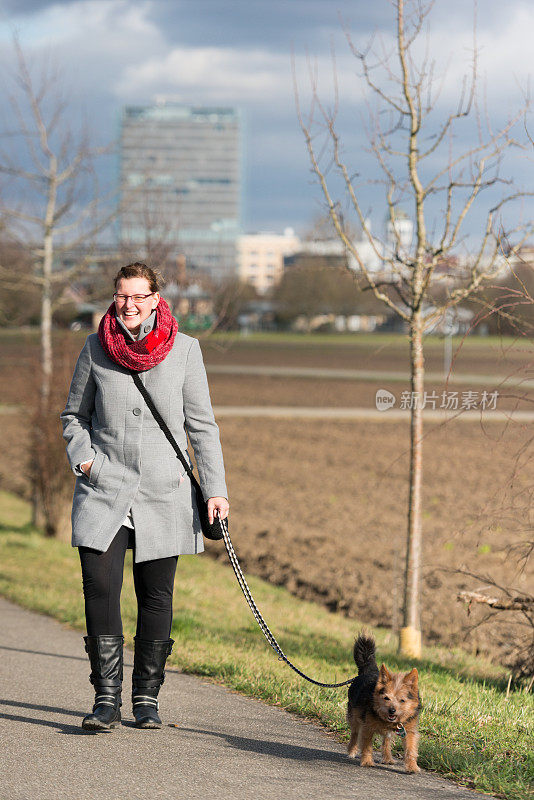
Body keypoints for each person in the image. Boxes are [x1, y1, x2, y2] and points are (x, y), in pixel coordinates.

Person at [61, 262, 229, 732]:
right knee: (99, 586)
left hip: (164, 492)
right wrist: (88, 461)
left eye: (139, 296)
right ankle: (106, 700)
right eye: (122, 296)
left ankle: (146, 699)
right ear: (114, 298)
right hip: (104, 490)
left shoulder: (186, 350)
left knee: (155, 596)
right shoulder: (95, 348)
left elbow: (202, 427)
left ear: (156, 298)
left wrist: (216, 490)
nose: (129, 305)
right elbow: (73, 415)